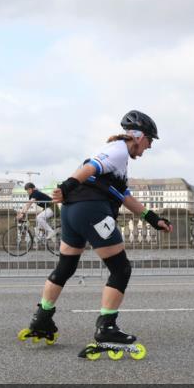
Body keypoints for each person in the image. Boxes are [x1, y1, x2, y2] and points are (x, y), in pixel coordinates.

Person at [19, 110, 173, 359]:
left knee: (65, 267)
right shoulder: (118, 150)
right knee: (121, 269)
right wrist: (66, 186)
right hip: (91, 210)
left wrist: (153, 219)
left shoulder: (117, 158)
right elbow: (91, 167)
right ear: (138, 136)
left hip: (71, 211)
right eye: (149, 140)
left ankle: (42, 318)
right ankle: (107, 329)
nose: (150, 146)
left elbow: (123, 196)